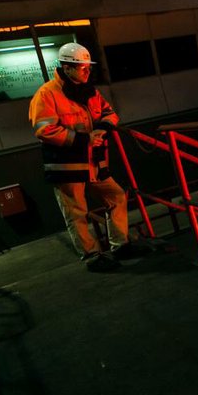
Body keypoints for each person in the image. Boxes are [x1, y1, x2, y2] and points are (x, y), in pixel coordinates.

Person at [28, 42, 149, 271]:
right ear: (67, 68)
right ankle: (91, 256)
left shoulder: (90, 91)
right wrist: (84, 139)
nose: (87, 71)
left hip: (94, 163)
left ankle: (120, 245)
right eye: (82, 67)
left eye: (88, 67)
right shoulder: (46, 94)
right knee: (77, 213)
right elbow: (44, 130)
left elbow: (110, 113)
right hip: (67, 167)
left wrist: (103, 127)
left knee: (117, 197)